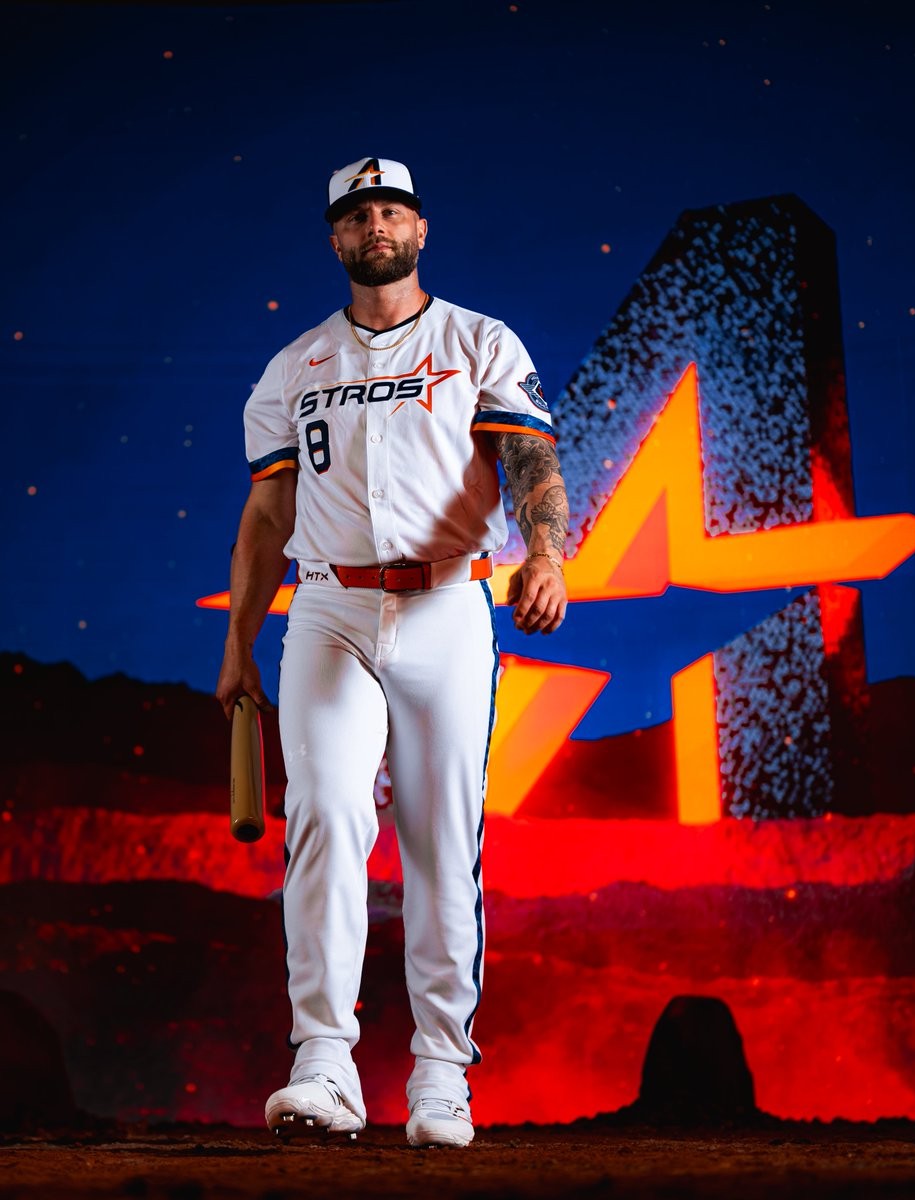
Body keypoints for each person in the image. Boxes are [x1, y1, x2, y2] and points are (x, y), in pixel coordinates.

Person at [216, 156, 568, 1148]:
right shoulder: (293, 368)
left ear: (421, 229)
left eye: (392, 209)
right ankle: (323, 1063)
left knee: (440, 838)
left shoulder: (479, 341)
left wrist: (547, 553)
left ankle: (441, 1074)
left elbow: (531, 457)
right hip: (328, 608)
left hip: (447, 603)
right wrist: (238, 641)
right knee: (324, 816)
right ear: (335, 238)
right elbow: (266, 515)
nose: (376, 223)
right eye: (358, 213)